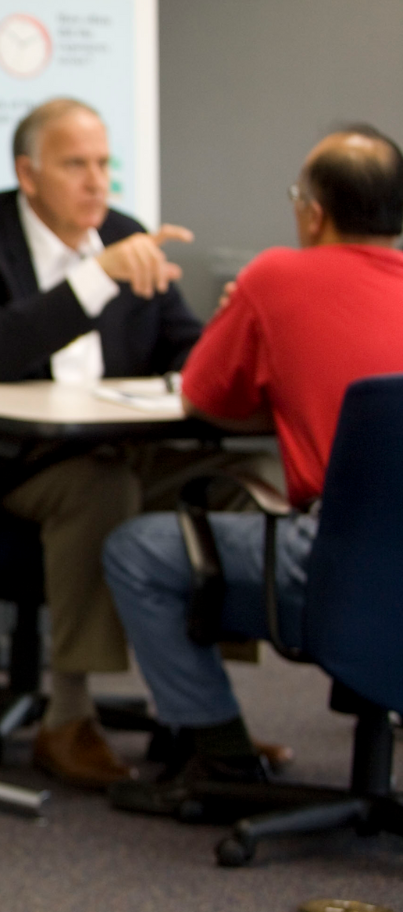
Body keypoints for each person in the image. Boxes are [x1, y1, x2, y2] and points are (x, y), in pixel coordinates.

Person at [0, 97, 263, 789]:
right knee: (103, 490)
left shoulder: (127, 234)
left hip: (124, 445)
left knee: (238, 481)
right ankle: (67, 719)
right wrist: (94, 279)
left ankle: (205, 718)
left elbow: (184, 346)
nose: (97, 182)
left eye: (104, 164)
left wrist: (223, 337)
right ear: (29, 172)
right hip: (20, 466)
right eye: (76, 165)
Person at [102, 126, 403, 812]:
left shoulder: (276, 275)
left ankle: (222, 759)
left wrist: (251, 323)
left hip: (338, 564)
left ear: (313, 213)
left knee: (137, 550)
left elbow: (204, 396)